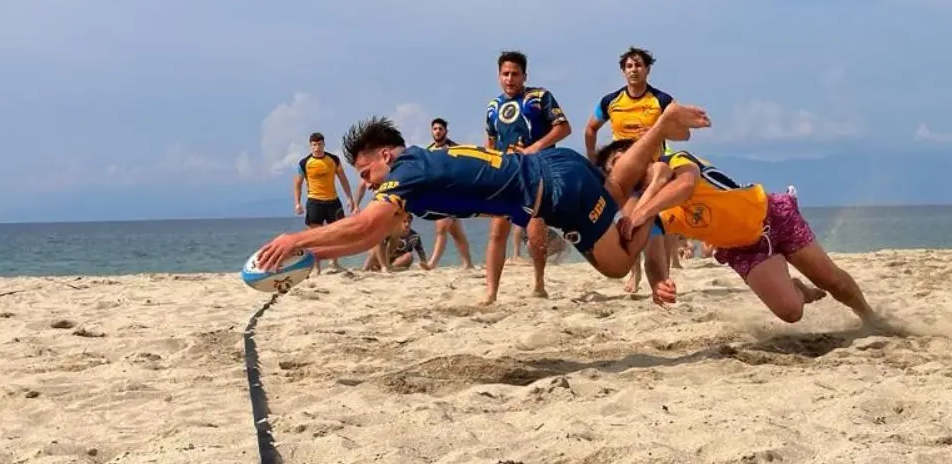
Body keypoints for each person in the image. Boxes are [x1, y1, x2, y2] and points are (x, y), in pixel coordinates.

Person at [253, 103, 712, 303]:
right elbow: (368, 232)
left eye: (367, 172)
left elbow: (366, 229)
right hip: (560, 167)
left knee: (613, 264)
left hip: (552, 194)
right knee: (611, 194)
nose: (369, 183)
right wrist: (311, 251)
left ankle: (653, 202)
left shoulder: (407, 172)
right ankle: (658, 134)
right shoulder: (420, 160)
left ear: (386, 156)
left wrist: (297, 238)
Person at [594, 140, 882, 326]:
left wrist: (641, 210)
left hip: (772, 215)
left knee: (831, 279)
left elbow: (685, 186)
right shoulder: (649, 213)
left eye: (623, 156)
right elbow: (654, 258)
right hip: (742, 248)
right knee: (791, 313)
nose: (621, 164)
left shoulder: (675, 159)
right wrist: (658, 283)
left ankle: (870, 317)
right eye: (613, 167)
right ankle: (798, 289)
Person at [583, 47, 681, 294]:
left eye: (638, 65)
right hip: (623, 172)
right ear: (623, 71)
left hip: (653, 170)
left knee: (659, 221)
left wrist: (661, 132)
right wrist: (593, 159)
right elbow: (590, 129)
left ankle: (663, 276)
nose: (634, 70)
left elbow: (682, 130)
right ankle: (636, 273)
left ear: (647, 69)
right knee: (631, 221)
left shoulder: (662, 100)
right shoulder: (611, 101)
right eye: (629, 66)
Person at [483, 50, 571, 305]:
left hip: (537, 171)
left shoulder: (540, 97)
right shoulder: (493, 107)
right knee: (497, 232)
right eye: (505, 74)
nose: (510, 78)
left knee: (535, 232)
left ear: (524, 75)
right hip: (505, 174)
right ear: (499, 76)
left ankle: (539, 283)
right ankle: (491, 291)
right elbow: (491, 139)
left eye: (515, 74)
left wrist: (536, 147)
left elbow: (564, 127)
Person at [293, 132, 355, 274]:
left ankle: (334, 263)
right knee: (315, 237)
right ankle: (316, 267)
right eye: (314, 145)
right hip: (315, 201)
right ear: (310, 146)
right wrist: (297, 203)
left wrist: (349, 197)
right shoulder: (304, 163)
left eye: (319, 144)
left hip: (333, 201)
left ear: (324, 144)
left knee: (338, 233)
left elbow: (343, 179)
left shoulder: (333, 159)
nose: (317, 147)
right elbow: (297, 183)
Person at [423, 117, 474, 270]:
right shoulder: (428, 151)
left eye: (440, 129)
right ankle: (468, 263)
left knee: (441, 228)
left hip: (452, 193)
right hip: (437, 194)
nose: (437, 132)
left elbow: (465, 169)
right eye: (435, 129)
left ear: (446, 131)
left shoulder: (455, 149)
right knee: (456, 232)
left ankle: (432, 263)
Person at [364, 211, 428, 271]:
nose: (407, 224)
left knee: (409, 256)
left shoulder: (414, 236)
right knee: (374, 248)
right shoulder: (391, 232)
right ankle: (365, 269)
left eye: (409, 222)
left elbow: (420, 251)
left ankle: (389, 268)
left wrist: (425, 263)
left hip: (397, 262)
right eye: (404, 221)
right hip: (384, 259)